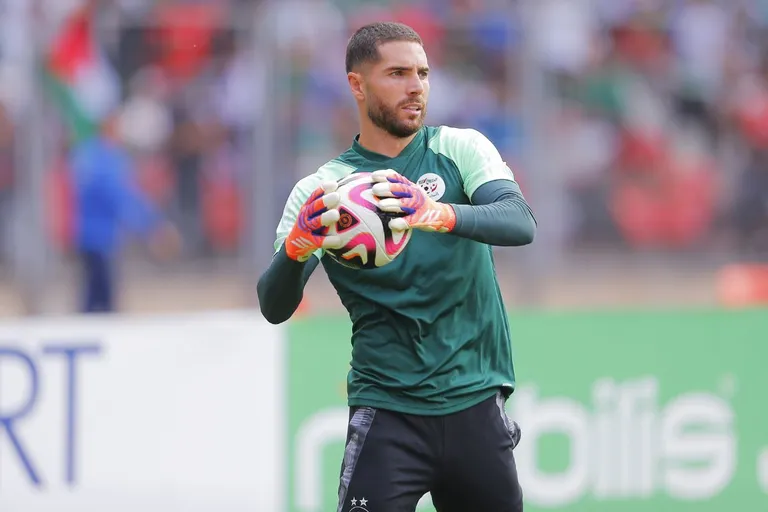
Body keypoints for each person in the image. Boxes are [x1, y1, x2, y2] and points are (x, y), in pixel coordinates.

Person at [257, 22, 536, 512]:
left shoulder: (459, 148)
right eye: (398, 73)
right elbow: (273, 306)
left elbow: (519, 222)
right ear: (357, 84)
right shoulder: (324, 191)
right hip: (387, 412)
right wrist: (298, 247)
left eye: (423, 74)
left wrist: (437, 213)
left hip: (474, 402)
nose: (416, 87)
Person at [70, 113, 180, 313]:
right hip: (102, 238)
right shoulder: (108, 160)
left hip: (86, 235)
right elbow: (122, 200)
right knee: (103, 299)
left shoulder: (87, 155)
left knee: (92, 296)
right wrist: (153, 225)